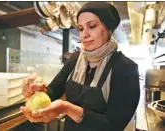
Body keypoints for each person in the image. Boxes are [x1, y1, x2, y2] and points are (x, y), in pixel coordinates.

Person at [20, 2, 140, 131]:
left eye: (92, 26)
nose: (84, 34)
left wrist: (67, 108)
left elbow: (113, 125)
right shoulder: (76, 59)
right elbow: (53, 91)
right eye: (81, 28)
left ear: (109, 30)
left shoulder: (125, 69)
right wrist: (37, 90)